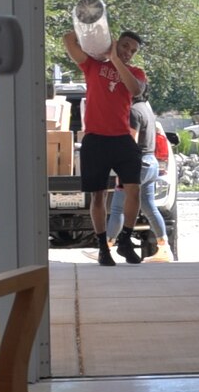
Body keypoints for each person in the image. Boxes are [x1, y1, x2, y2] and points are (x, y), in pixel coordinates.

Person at [61, 25, 147, 266]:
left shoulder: (136, 72)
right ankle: (102, 247)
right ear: (116, 42)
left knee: (134, 190)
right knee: (97, 197)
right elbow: (68, 40)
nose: (129, 51)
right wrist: (92, 32)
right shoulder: (93, 65)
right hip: (95, 139)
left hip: (122, 139)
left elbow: (135, 89)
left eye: (133, 50)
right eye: (125, 46)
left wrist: (115, 59)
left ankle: (125, 240)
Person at [105, 96, 173, 261]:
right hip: (151, 162)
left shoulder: (133, 111)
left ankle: (105, 247)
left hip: (138, 164)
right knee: (149, 207)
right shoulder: (146, 109)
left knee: (117, 208)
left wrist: (123, 170)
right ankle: (164, 248)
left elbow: (130, 142)